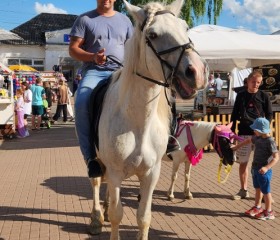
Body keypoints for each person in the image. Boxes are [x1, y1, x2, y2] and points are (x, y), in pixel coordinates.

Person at [69, 0, 133, 178]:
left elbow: (132, 48)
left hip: (122, 71)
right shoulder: (85, 19)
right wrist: (93, 57)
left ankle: (165, 140)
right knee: (81, 102)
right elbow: (73, 49)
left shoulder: (126, 21)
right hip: (95, 72)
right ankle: (90, 158)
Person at [230, 71, 273, 200]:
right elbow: (234, 114)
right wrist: (231, 133)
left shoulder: (264, 95)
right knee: (243, 163)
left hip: (261, 135)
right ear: (248, 81)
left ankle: (266, 194)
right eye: (253, 82)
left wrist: (265, 128)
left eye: (258, 82)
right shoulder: (241, 96)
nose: (256, 85)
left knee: (263, 164)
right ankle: (243, 190)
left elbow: (269, 114)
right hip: (244, 132)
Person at [231, 117, 279, 220]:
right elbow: (248, 140)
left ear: (261, 130)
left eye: (255, 129)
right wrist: (236, 147)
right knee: (257, 189)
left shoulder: (270, 141)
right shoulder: (257, 138)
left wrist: (266, 167)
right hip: (255, 168)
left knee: (266, 191)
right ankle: (258, 207)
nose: (253, 131)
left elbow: (276, 158)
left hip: (264, 171)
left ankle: (269, 211)